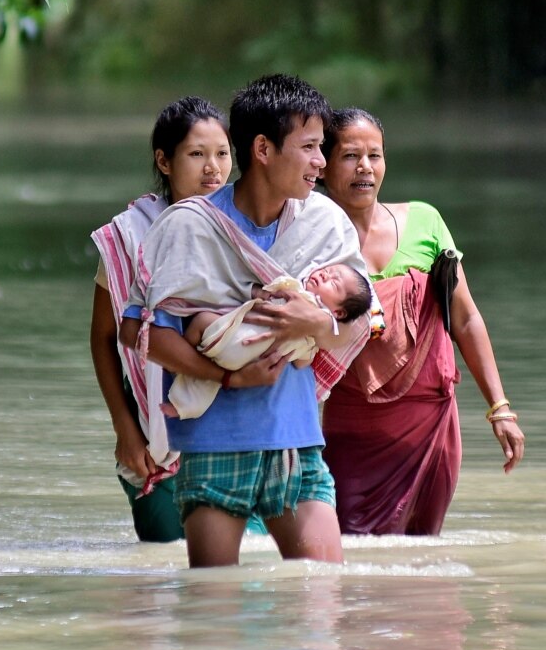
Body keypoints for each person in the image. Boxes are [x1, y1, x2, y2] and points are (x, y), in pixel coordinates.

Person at [118, 74, 372, 567]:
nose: (322, 162)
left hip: (297, 442)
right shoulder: (190, 225)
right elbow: (143, 332)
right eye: (310, 147)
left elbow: (360, 322)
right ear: (262, 149)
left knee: (323, 601)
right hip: (215, 447)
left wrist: (314, 323)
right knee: (214, 621)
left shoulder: (325, 224)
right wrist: (228, 376)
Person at [319, 108, 526, 536]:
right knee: (352, 548)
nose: (365, 168)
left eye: (374, 156)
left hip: (431, 422)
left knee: (422, 553)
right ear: (322, 166)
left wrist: (499, 408)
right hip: (354, 425)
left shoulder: (425, 222)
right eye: (350, 156)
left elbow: (465, 319)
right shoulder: (311, 239)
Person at [89, 96, 234, 543]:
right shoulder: (130, 234)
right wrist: (125, 430)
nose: (212, 168)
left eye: (222, 154)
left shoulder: (245, 228)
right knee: (164, 578)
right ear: (164, 161)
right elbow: (103, 338)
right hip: (153, 444)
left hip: (233, 430)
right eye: (197, 154)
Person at [147, 263, 372, 419]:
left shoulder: (299, 295)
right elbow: (302, 362)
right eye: (328, 271)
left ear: (339, 313)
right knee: (211, 384)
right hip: (247, 361)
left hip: (228, 335)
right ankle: (181, 408)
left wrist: (261, 291)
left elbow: (278, 286)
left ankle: (179, 363)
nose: (325, 275)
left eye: (334, 283)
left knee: (201, 322)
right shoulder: (312, 338)